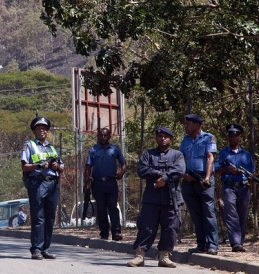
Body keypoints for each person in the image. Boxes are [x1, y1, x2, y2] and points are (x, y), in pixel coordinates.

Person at [127, 127, 185, 268]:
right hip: (151, 198)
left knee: (170, 228)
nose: (163, 138)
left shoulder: (177, 155)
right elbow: (141, 170)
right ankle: (139, 255)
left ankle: (164, 256)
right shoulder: (148, 154)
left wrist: (164, 179)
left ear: (171, 139)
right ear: (156, 138)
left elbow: (180, 170)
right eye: (160, 136)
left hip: (171, 197)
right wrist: (157, 173)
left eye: (166, 136)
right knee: (146, 226)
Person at [21, 116, 64, 260]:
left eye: (44, 128)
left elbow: (62, 166)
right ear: (34, 130)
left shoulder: (52, 147)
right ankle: (36, 249)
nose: (42, 130)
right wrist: (39, 165)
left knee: (50, 217)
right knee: (38, 217)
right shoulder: (29, 145)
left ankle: (45, 248)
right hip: (37, 182)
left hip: (52, 183)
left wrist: (56, 166)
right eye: (39, 128)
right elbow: (24, 166)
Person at [179, 114, 218, 255]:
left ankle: (212, 244)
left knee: (208, 213)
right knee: (196, 214)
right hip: (189, 181)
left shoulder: (209, 138)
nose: (186, 126)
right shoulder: (186, 141)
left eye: (188, 124)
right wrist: (184, 174)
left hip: (203, 180)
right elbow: (179, 159)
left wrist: (207, 178)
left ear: (197, 125)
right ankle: (201, 244)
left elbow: (210, 158)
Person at [215, 123, 254, 253]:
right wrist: (228, 169)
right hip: (229, 187)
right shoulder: (223, 153)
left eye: (236, 135)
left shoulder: (246, 155)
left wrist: (250, 186)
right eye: (231, 135)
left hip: (244, 188)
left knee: (242, 216)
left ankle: (240, 243)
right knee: (231, 215)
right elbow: (215, 169)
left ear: (240, 137)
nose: (233, 138)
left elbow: (251, 173)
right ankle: (235, 243)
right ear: (228, 138)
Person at [84, 127, 127, 241]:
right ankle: (104, 232)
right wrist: (87, 184)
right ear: (98, 136)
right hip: (98, 182)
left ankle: (116, 232)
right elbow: (88, 167)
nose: (103, 137)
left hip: (111, 182)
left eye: (105, 135)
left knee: (113, 207)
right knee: (101, 208)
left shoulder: (114, 149)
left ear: (109, 136)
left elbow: (123, 163)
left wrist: (121, 173)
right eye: (101, 135)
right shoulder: (93, 149)